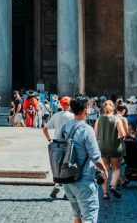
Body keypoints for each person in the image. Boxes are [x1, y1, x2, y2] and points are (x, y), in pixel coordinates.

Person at [60, 95, 106, 223]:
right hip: (84, 179)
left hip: (68, 180)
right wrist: (105, 171)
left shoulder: (65, 126)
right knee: (89, 218)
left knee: (77, 216)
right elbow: (96, 157)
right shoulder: (87, 129)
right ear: (86, 109)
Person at [44, 96, 74, 200]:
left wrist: (49, 140)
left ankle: (57, 186)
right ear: (70, 105)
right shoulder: (72, 116)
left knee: (56, 167)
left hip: (56, 143)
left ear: (61, 105)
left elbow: (45, 129)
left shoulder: (56, 115)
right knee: (67, 167)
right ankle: (67, 192)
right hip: (68, 144)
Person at [94, 100, 125, 200]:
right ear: (114, 108)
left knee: (104, 169)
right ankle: (113, 186)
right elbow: (123, 134)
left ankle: (105, 193)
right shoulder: (116, 119)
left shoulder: (99, 119)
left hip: (102, 147)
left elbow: (95, 134)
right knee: (116, 168)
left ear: (104, 108)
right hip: (115, 147)